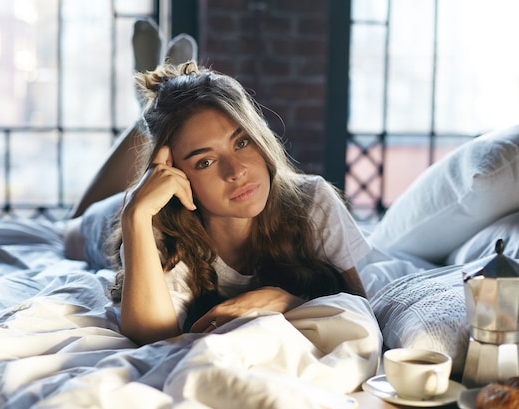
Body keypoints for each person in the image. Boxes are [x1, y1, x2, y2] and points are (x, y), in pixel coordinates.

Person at [64, 61, 372, 346]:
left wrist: (287, 301)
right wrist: (136, 215)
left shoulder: (312, 201)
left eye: (241, 142)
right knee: (70, 230)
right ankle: (143, 121)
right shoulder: (157, 221)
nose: (236, 171)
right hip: (108, 220)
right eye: (205, 161)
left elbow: (357, 308)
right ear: (175, 172)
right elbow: (152, 338)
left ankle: (155, 108)